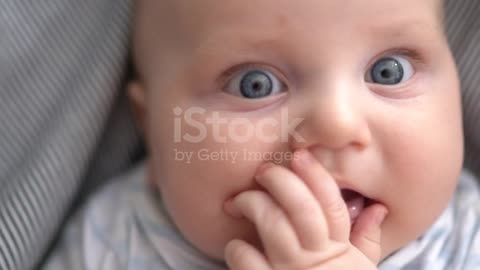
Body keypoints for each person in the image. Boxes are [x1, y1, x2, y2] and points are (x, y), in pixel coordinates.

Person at [43, 0, 480, 269]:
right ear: (154, 132)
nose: (337, 124)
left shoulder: (466, 238)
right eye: (256, 84)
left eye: (389, 70)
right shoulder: (114, 238)